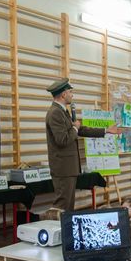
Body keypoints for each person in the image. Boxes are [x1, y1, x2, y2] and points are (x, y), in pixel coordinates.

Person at [45, 78, 120, 211]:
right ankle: (57, 225)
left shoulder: (63, 111)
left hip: (68, 167)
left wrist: (106, 130)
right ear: (63, 94)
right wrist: (75, 128)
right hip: (63, 168)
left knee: (68, 205)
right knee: (62, 205)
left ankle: (64, 224)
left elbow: (81, 129)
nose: (72, 95)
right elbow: (62, 140)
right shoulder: (55, 112)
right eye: (70, 92)